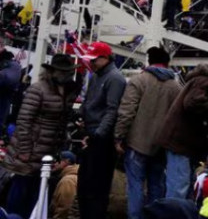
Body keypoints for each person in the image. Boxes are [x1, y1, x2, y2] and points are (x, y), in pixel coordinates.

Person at [2, 54, 80, 218]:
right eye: (63, 71)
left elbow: (63, 121)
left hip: (48, 149)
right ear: (53, 71)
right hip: (29, 149)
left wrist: (59, 147)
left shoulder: (69, 91)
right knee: (21, 190)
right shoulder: (38, 89)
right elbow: (24, 121)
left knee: (37, 193)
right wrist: (24, 150)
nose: (66, 75)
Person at [116, 46, 183, 219]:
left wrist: (118, 136)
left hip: (136, 143)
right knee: (156, 185)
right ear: (167, 63)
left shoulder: (139, 81)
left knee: (135, 186)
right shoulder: (175, 87)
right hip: (161, 145)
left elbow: (127, 111)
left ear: (149, 60)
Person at [155, 59, 208, 199]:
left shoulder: (204, 81)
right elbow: (191, 103)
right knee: (179, 188)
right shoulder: (206, 81)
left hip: (182, 142)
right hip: (181, 142)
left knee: (184, 187)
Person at [78, 41, 128, 219]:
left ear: (105, 58)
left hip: (101, 138)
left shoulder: (115, 78)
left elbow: (112, 109)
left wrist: (98, 134)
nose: (91, 63)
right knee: (85, 183)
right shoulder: (97, 76)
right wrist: (82, 117)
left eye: (94, 59)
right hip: (92, 132)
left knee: (96, 185)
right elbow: (89, 102)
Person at [50, 151, 79, 219]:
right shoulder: (72, 176)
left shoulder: (67, 181)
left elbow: (65, 208)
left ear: (67, 161)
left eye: (57, 160)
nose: (54, 164)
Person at [0, 50, 22, 123]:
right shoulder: (16, 66)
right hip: (7, 95)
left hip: (4, 95)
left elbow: (8, 79)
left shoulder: (12, 66)